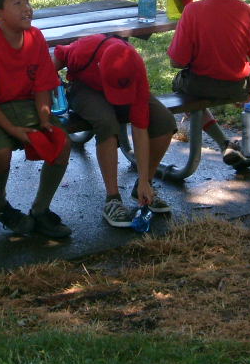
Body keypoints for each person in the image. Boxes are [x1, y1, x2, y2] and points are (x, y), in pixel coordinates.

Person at [0, 0, 72, 238]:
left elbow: (43, 86)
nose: (27, 8)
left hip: (24, 104)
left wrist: (44, 119)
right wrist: (12, 130)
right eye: (17, 3)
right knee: (1, 152)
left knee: (61, 142)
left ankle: (40, 210)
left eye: (27, 1)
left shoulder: (35, 37)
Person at [55, 33, 176, 228]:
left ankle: (143, 187)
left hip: (127, 87)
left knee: (164, 121)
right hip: (85, 87)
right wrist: (46, 86)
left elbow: (140, 127)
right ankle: (112, 199)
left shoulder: (135, 67)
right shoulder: (85, 50)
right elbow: (59, 55)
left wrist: (143, 179)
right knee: (107, 123)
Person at [166, 0, 250, 170]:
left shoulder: (193, 11)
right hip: (236, 85)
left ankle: (223, 142)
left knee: (180, 86)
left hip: (199, 85)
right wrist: (249, 89)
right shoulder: (249, 12)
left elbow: (177, 62)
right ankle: (241, 146)